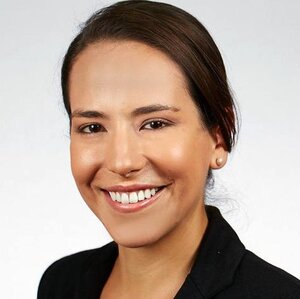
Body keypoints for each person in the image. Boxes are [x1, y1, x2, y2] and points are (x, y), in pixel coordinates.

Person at [37, 1, 300, 298]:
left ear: (219, 135)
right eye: (93, 127)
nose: (122, 161)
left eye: (155, 124)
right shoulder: (61, 283)